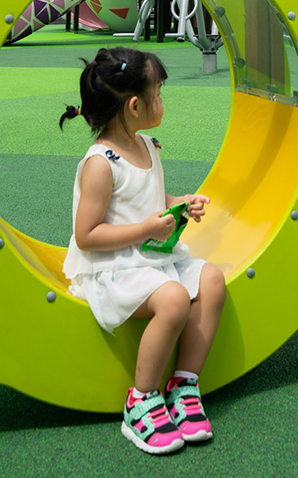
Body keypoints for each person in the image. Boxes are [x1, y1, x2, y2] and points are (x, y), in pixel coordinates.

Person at [59, 46, 226, 455]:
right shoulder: (101, 163)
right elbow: (87, 235)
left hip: (151, 258)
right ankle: (143, 399)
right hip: (112, 266)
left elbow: (145, 196)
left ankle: (184, 383)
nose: (162, 100)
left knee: (213, 280)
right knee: (172, 300)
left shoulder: (146, 144)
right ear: (135, 105)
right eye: (159, 93)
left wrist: (178, 203)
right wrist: (146, 229)